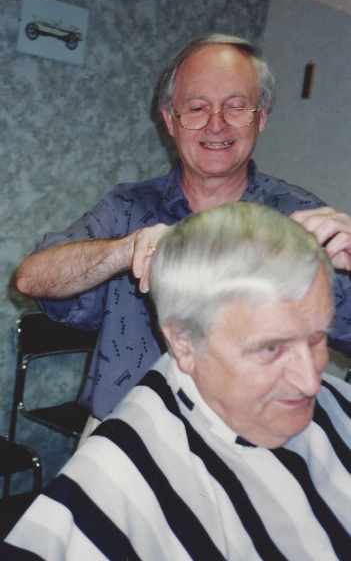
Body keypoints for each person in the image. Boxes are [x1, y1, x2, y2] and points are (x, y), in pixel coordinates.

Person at [15, 33, 351, 424]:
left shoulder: (303, 218)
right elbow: (31, 279)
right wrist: (125, 250)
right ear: (170, 121)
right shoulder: (128, 206)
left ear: (261, 117)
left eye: (235, 107)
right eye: (196, 108)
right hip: (124, 434)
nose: (215, 124)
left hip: (251, 444)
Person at [4, 202, 351, 560]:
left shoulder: (337, 404)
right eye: (271, 349)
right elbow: (32, 277)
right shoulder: (115, 482)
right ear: (183, 343)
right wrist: (126, 247)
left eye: (317, 338)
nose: (312, 382)